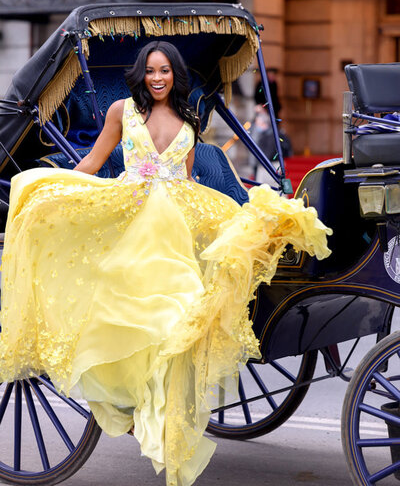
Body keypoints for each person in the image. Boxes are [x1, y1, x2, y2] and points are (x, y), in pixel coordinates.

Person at [0, 41, 332, 486]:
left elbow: (190, 179)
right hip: (135, 215)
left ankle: (161, 409)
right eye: (151, 71)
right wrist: (58, 190)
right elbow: (94, 162)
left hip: (177, 221)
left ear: (175, 75)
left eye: (165, 71)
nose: (158, 78)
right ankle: (131, 405)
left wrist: (222, 213)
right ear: (141, 75)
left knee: (186, 313)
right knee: (141, 316)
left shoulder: (190, 120)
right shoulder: (121, 110)